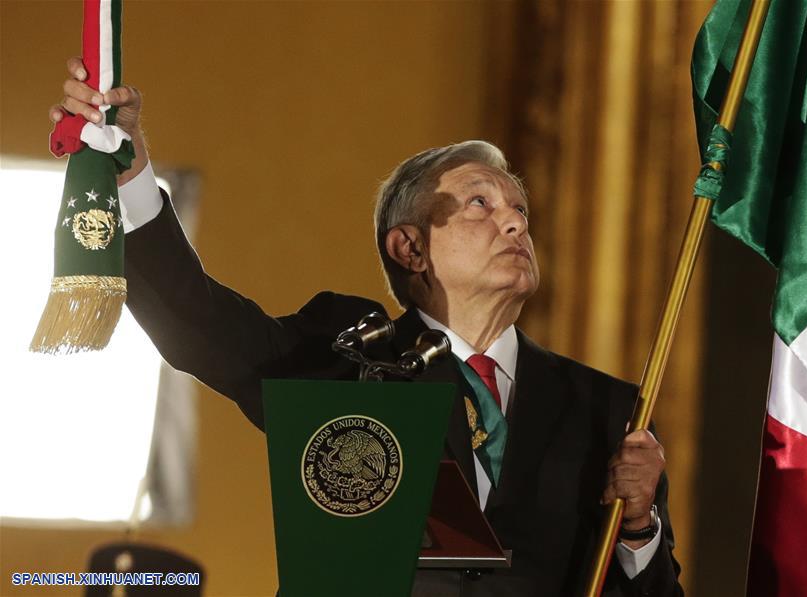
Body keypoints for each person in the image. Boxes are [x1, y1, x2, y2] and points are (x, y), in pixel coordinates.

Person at [53, 56, 683, 596]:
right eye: (480, 204)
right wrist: (128, 172)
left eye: (519, 209)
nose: (516, 223)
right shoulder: (351, 357)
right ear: (410, 247)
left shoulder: (612, 411)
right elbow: (203, 324)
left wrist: (638, 530)